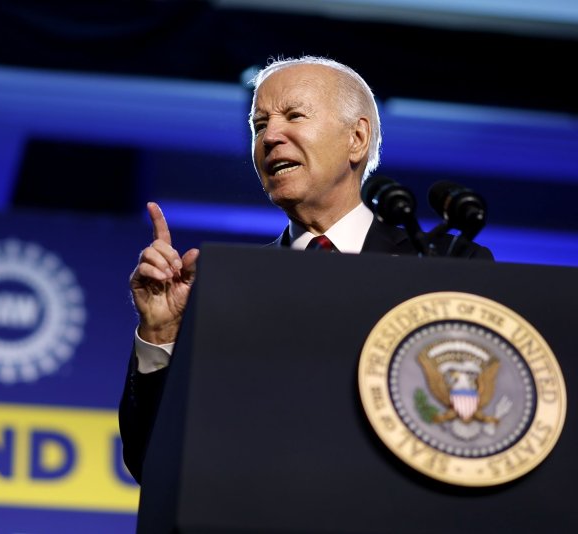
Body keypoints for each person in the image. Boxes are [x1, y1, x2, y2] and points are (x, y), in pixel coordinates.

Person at [118, 55, 494, 484]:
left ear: (357, 138)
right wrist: (161, 336)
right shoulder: (228, 289)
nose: (270, 137)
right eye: (259, 126)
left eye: (294, 116)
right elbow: (153, 462)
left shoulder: (443, 265)